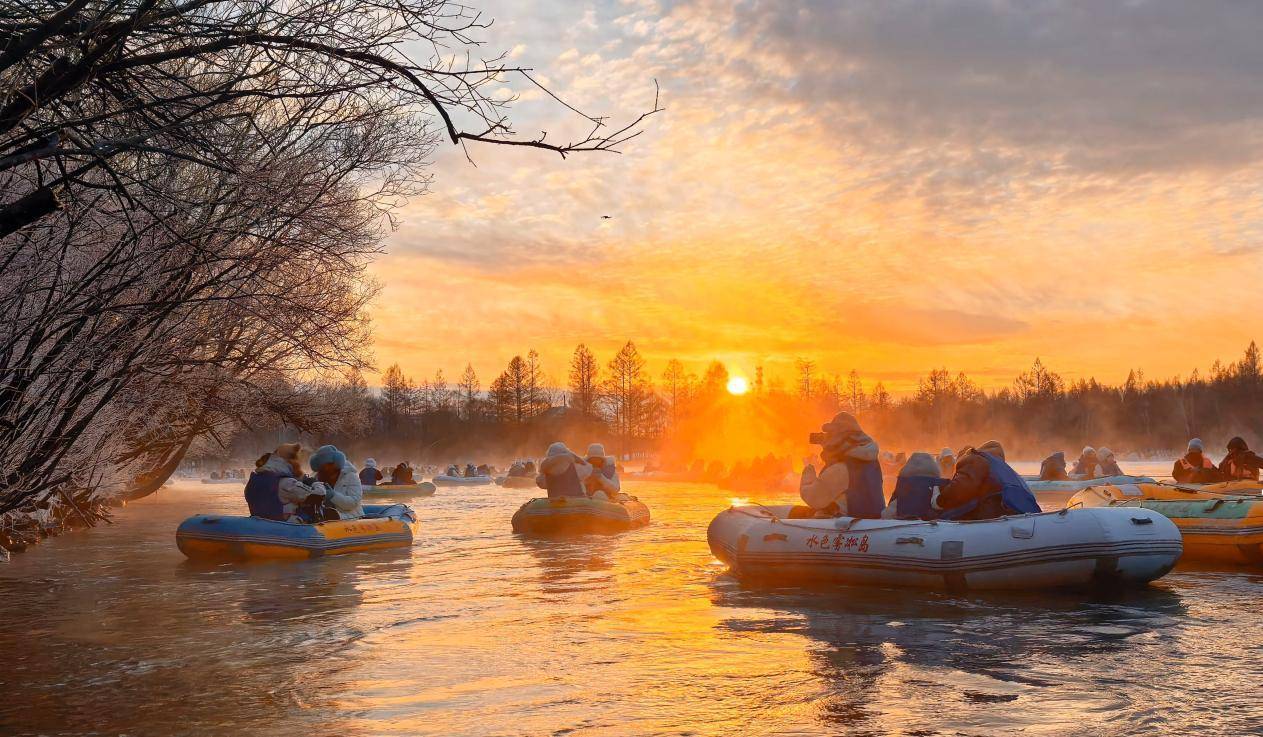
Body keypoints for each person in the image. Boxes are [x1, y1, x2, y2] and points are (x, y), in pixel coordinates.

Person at [798, 412, 885, 518]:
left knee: (802, 513)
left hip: (848, 525)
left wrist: (808, 475)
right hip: (873, 521)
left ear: (838, 438)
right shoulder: (870, 461)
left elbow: (815, 499)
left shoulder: (840, 469)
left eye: (830, 435)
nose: (828, 439)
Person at [934, 440, 1041, 520]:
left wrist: (939, 501)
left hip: (991, 515)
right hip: (1019, 516)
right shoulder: (1001, 468)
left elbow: (962, 487)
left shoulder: (974, 459)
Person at [244, 443, 326, 522]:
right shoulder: (286, 483)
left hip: (259, 524)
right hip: (284, 527)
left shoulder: (254, 480)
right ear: (290, 461)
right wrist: (315, 483)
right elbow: (319, 495)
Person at [883, 452, 947, 520]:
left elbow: (887, 513)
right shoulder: (936, 485)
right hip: (931, 521)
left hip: (905, 520)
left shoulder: (904, 484)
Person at [310, 444, 364, 519]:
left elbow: (353, 503)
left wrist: (333, 495)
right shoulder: (316, 478)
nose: (326, 469)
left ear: (336, 462)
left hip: (350, 517)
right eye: (322, 466)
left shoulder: (350, 476)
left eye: (328, 464)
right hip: (324, 519)